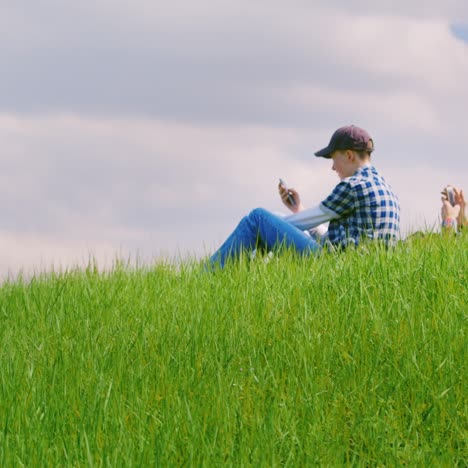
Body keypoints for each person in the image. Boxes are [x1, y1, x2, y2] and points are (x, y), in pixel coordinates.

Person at [208, 125, 401, 268]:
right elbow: (328, 234)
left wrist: (274, 225)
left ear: (349, 155)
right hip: (353, 265)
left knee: (257, 219)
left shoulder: (352, 185)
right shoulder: (384, 186)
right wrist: (296, 209)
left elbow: (304, 223)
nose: (333, 167)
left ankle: (208, 275)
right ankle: (240, 276)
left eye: (334, 159)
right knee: (273, 219)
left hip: (334, 265)